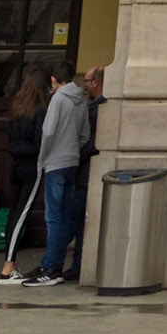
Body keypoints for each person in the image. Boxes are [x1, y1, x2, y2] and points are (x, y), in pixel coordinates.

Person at [22, 62, 88, 288]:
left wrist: (44, 157)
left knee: (54, 218)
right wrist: (72, 150)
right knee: (65, 216)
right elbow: (84, 135)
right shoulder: (81, 100)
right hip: (72, 162)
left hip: (55, 163)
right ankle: (53, 266)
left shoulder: (58, 99)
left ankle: (51, 268)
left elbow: (48, 131)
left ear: (53, 80)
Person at [0, 65, 49, 285]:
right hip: (32, 167)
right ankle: (8, 267)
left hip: (16, 166)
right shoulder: (40, 111)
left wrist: (18, 148)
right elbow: (40, 144)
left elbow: (11, 142)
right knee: (22, 214)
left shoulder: (16, 108)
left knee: (14, 214)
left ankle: (11, 264)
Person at [63, 67, 106, 281]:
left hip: (86, 172)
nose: (84, 84)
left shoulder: (100, 108)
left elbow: (93, 141)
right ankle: (75, 263)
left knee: (74, 219)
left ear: (96, 82)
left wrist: (74, 155)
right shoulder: (93, 106)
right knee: (77, 220)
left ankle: (70, 263)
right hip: (84, 171)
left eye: (87, 80)